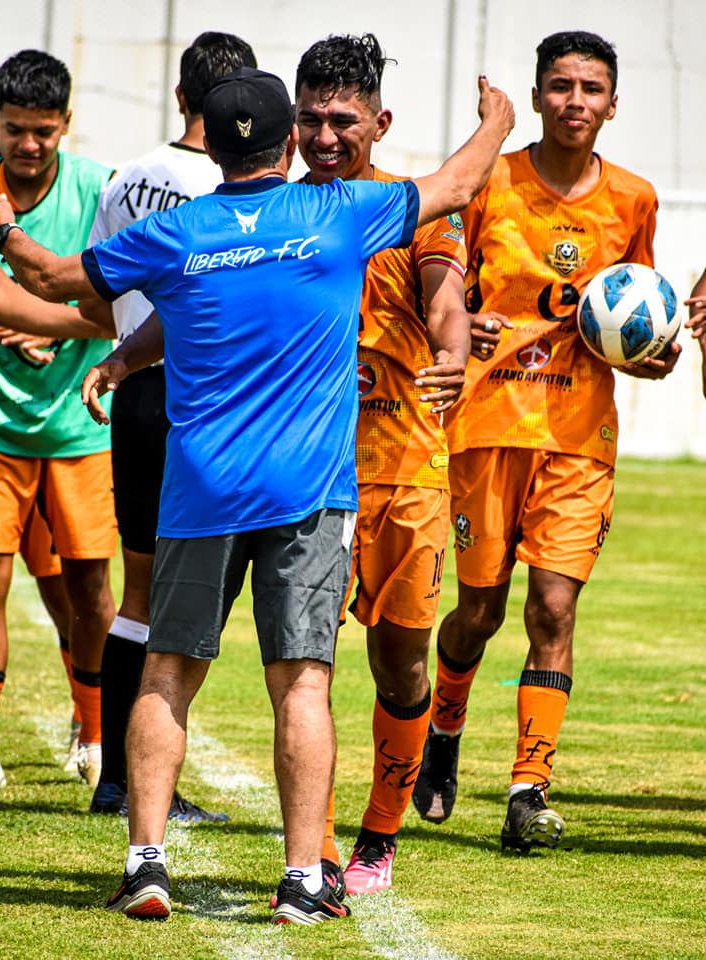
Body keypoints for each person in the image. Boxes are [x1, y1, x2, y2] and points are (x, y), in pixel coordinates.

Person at [0, 66, 514, 922]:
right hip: (307, 493)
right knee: (300, 681)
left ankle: (146, 864)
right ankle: (304, 876)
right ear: (290, 141)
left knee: (170, 671)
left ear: (210, 144)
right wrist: (496, 119)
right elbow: (460, 182)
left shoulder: (180, 231)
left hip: (203, 489)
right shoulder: (337, 213)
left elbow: (46, 277)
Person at [411, 30, 680, 853]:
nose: (575, 101)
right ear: (535, 98)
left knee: (553, 607)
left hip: (578, 437)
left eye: (591, 89)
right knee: (480, 609)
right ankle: (445, 729)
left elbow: (632, 314)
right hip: (489, 427)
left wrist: (651, 354)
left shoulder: (633, 199)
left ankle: (529, 787)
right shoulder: (491, 184)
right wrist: (464, 323)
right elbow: (447, 282)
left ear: (611, 104)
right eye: (559, 86)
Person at [294, 34, 469, 895]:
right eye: (311, 119)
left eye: (343, 119)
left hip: (407, 473)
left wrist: (455, 351)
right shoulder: (276, 214)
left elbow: (447, 302)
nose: (325, 136)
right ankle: (317, 844)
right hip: (310, 477)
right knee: (307, 662)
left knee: (401, 663)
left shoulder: (418, 210)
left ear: (379, 121)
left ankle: (379, 835)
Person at [84, 30, 256, 825]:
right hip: (197, 402)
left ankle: (116, 777)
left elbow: (97, 291)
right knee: (188, 603)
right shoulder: (229, 193)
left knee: (141, 592)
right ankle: (146, 779)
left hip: (135, 398)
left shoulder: (127, 178)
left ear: (182, 95)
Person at [0, 49, 117, 791]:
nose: (28, 145)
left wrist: (54, 327)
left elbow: (121, 300)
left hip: (82, 425)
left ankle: (94, 727)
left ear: (66, 125)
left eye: (44, 132)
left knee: (87, 587)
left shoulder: (98, 190)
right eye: (15, 129)